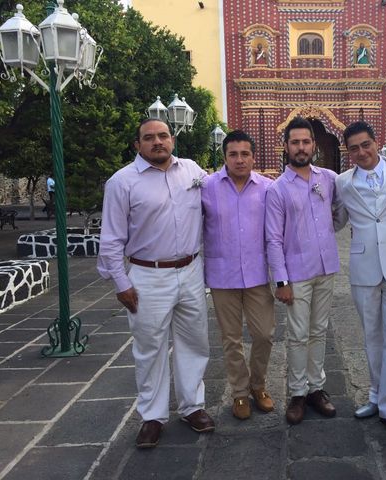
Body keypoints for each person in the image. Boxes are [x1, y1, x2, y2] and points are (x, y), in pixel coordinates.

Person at [97, 118, 214, 449]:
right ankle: (153, 416)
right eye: (149, 138)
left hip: (191, 270)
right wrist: (121, 283)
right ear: (138, 145)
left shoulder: (192, 171)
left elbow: (221, 195)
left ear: (173, 140)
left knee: (195, 343)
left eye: (163, 136)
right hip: (148, 275)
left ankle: (193, 407)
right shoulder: (122, 182)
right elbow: (111, 239)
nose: (157, 142)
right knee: (150, 348)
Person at [333, 121, 386, 440]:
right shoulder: (343, 182)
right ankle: (374, 395)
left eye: (365, 144)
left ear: (377, 142)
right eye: (353, 148)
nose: (361, 152)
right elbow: (336, 221)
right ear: (348, 151)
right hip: (364, 266)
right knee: (371, 337)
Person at [265, 117, 340, 425]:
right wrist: (281, 280)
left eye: (305, 142)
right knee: (297, 334)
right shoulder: (278, 189)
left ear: (314, 145)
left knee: (319, 330)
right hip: (296, 273)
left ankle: (316, 388)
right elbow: (273, 238)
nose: (300, 147)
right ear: (286, 147)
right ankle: (297, 392)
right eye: (294, 142)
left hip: (326, 268)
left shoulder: (329, 179)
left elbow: (339, 213)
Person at [201, 130, 275, 420]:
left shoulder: (268, 188)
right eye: (233, 154)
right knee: (231, 338)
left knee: (264, 334)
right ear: (225, 157)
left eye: (245, 154)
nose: (240, 159)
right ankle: (240, 393)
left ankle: (259, 384)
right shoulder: (207, 187)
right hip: (222, 276)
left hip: (257, 275)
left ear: (254, 157)